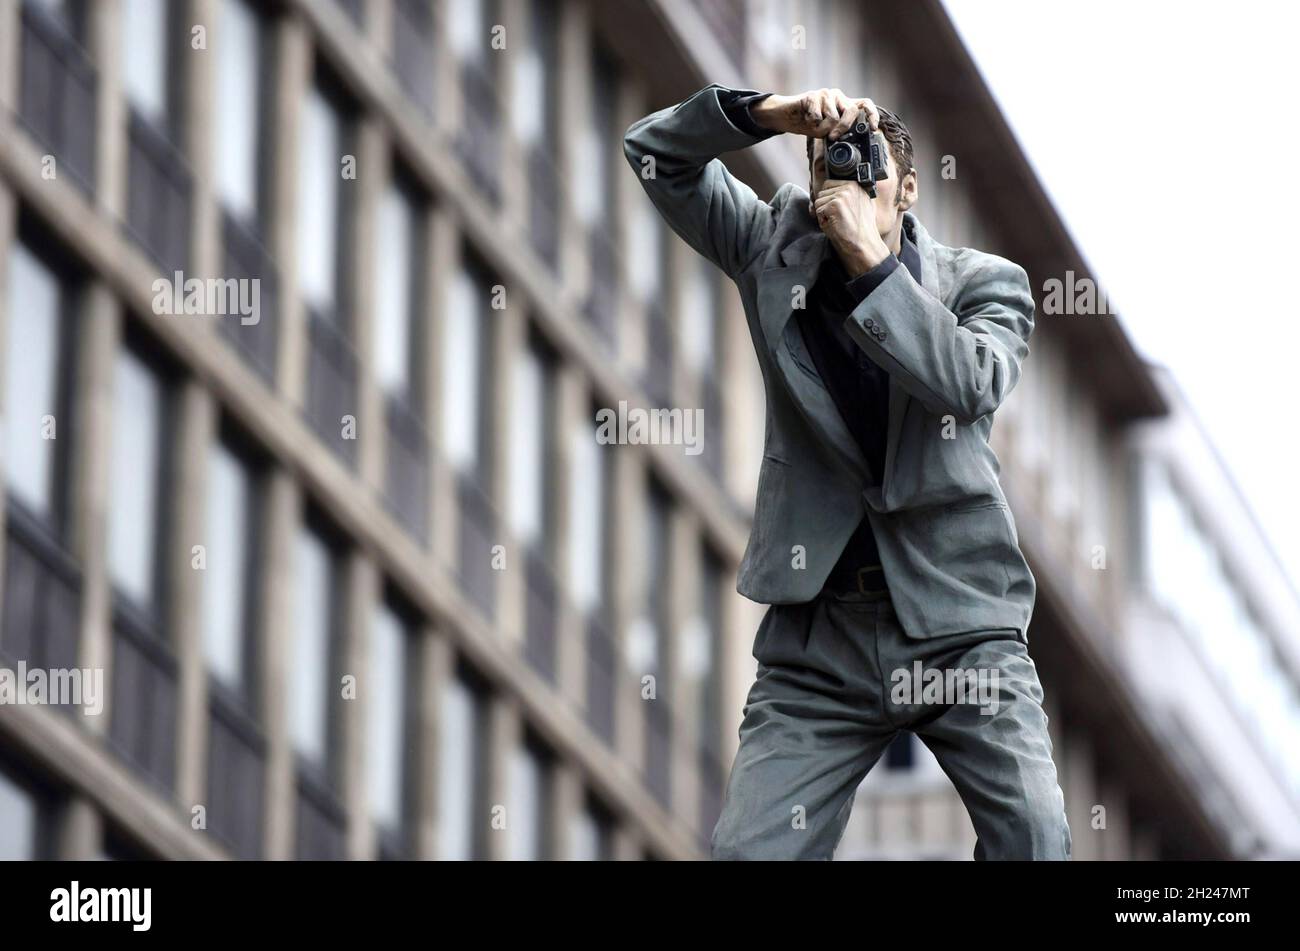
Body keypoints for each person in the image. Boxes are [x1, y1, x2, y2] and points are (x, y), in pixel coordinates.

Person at [623, 85, 1071, 860]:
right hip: (821, 637)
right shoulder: (771, 247)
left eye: (871, 168)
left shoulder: (981, 283)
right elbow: (655, 155)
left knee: (1035, 836)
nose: (851, 180)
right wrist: (768, 113)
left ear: (908, 187)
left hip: (960, 625)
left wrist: (871, 262)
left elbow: (970, 382)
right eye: (833, 162)